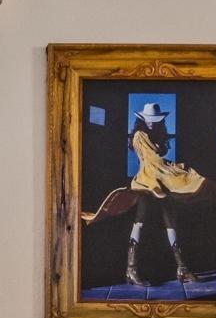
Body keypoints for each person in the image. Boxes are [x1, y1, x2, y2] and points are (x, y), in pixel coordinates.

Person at [83, 102, 209, 287]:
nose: (151, 123)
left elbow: (160, 156)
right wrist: (175, 168)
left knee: (171, 222)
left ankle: (182, 269)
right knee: (140, 222)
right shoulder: (139, 136)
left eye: (154, 120)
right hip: (146, 182)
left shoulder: (157, 133)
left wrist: (170, 170)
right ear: (142, 119)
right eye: (149, 120)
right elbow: (154, 160)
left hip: (161, 182)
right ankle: (131, 270)